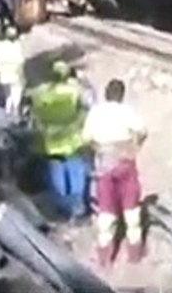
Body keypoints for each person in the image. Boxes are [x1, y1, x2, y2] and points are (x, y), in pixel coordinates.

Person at [81, 78, 148, 267]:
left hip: (104, 163)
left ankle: (105, 256)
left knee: (106, 211)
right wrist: (135, 146)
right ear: (122, 95)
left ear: (106, 94)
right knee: (132, 210)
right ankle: (135, 254)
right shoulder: (127, 111)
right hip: (125, 162)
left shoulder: (96, 112)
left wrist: (96, 151)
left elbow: (86, 138)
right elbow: (143, 131)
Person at [28, 59, 95, 222]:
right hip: (72, 141)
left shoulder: (41, 94)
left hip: (51, 144)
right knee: (76, 176)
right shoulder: (74, 91)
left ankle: (61, 208)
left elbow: (34, 114)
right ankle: (78, 209)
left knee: (57, 177)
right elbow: (90, 103)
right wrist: (85, 82)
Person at [0, 24, 26, 117]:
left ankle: (8, 110)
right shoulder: (18, 46)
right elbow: (22, 59)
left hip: (3, 76)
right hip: (16, 76)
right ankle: (15, 111)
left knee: (8, 95)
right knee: (16, 93)